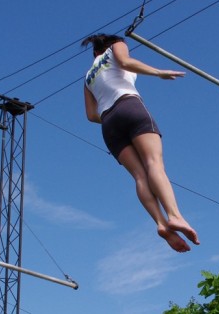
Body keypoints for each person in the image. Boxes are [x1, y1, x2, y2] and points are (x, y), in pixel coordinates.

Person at [82, 33, 199, 252]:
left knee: (139, 175)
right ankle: (174, 216)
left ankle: (161, 223)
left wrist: (111, 114)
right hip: (129, 105)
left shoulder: (88, 77)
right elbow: (126, 62)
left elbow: (90, 115)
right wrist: (158, 72)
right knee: (154, 164)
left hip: (108, 123)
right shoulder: (116, 47)